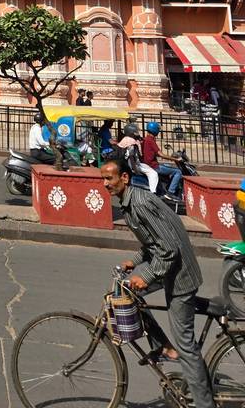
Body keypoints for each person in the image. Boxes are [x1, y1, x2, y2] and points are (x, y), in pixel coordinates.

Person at [100, 156, 216, 408]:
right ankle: (162, 346)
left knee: (186, 347)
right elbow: (153, 243)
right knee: (128, 290)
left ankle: (204, 404)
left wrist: (148, 275)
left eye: (109, 178)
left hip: (180, 275)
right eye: (103, 179)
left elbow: (169, 248)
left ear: (124, 178)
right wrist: (135, 261)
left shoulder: (139, 204)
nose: (105, 184)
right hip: (169, 268)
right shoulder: (130, 201)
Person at [142, 122, 183, 202]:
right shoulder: (150, 140)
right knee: (178, 172)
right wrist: (175, 159)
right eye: (158, 129)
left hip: (148, 165)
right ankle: (170, 193)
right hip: (154, 166)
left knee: (166, 165)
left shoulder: (145, 139)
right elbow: (161, 154)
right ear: (154, 130)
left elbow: (152, 153)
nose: (158, 131)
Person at [117, 123, 159, 194]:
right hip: (134, 165)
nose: (137, 133)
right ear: (132, 133)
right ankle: (153, 192)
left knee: (147, 167)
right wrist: (135, 169)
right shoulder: (131, 142)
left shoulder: (126, 139)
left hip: (129, 163)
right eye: (136, 132)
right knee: (153, 173)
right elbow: (131, 156)